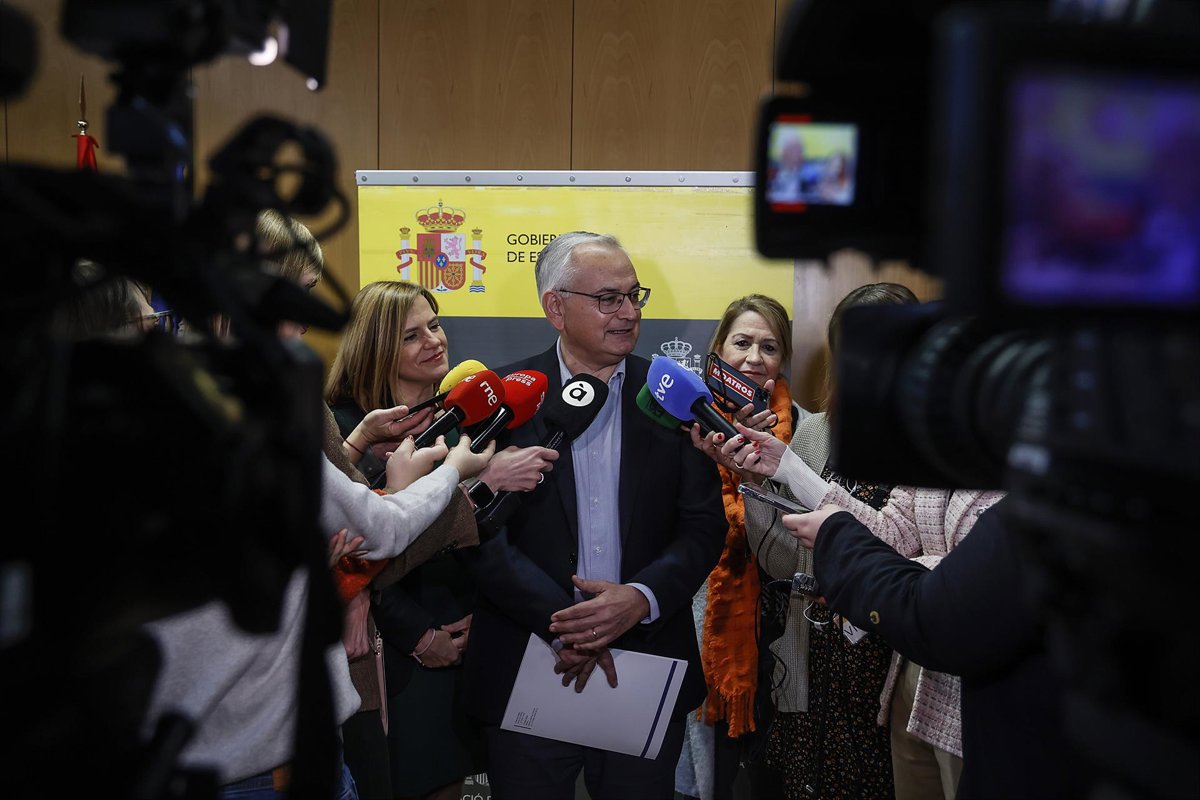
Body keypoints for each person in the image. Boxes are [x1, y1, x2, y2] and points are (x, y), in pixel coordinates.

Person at [135, 210, 498, 799]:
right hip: (259, 751)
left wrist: (353, 448)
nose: (306, 318)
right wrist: (455, 470)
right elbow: (378, 529)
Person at [456, 231, 727, 800]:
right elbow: (475, 533)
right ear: (556, 308)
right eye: (609, 299)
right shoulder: (502, 400)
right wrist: (569, 624)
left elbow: (704, 526)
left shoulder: (676, 400)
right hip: (529, 661)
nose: (629, 313)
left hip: (644, 663)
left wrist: (640, 599)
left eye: (634, 295)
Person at [324, 279, 557, 800]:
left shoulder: (472, 421)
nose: (434, 341)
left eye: (435, 325)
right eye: (412, 335)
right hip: (394, 654)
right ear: (376, 347)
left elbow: (492, 535)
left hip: (473, 642)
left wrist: (486, 616)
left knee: (465, 784)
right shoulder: (344, 429)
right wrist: (418, 635)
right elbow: (357, 553)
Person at [693, 282, 921, 800]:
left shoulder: (932, 446)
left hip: (893, 672)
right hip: (812, 671)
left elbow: (909, 552)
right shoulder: (814, 434)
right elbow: (781, 563)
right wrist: (754, 482)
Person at [780, 500, 1090, 800]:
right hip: (915, 676)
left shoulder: (1045, 500)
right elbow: (895, 530)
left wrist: (842, 540)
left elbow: (963, 597)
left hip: (983, 706)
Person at [675, 294, 800, 800]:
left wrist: (763, 476)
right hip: (696, 622)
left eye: (769, 347)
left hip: (779, 632)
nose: (754, 358)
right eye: (742, 342)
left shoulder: (806, 431)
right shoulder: (682, 425)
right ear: (718, 349)